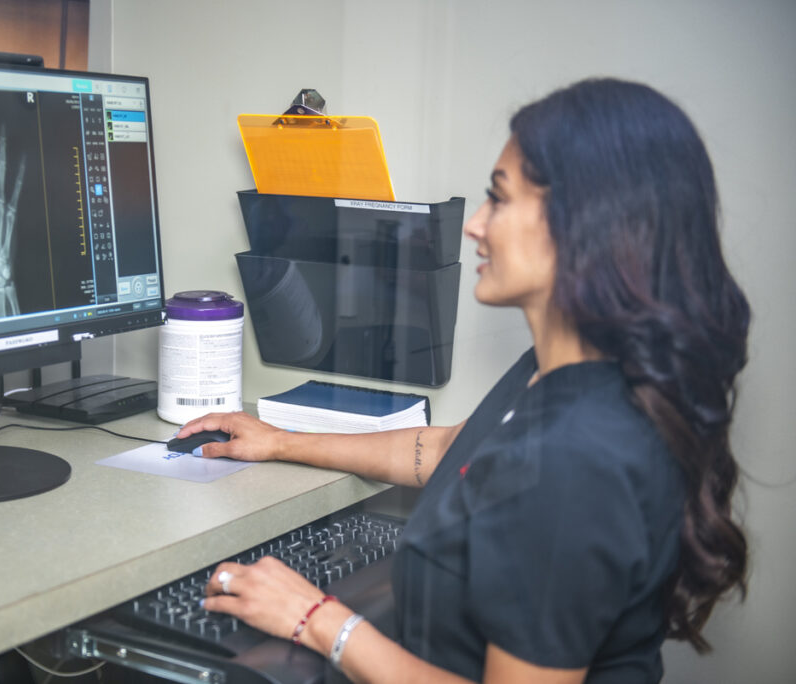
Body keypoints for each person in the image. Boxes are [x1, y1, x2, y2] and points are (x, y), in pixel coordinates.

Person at [177, 78, 750, 683]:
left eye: (498, 200)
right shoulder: (570, 371)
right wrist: (281, 441)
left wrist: (317, 618)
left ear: (585, 225)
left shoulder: (580, 458)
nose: (475, 225)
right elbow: (453, 450)